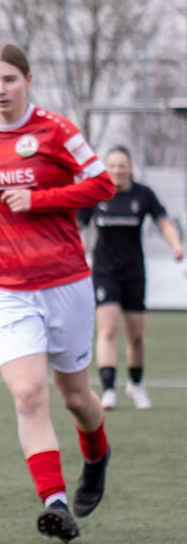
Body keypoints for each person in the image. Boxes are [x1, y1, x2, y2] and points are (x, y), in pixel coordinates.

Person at [0, 43, 114, 542]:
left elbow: (103, 184)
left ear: (28, 79)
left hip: (66, 282)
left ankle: (96, 452)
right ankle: (56, 502)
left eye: (9, 79)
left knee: (77, 398)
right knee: (28, 394)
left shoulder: (57, 130)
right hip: (5, 286)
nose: (0, 89)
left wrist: (40, 199)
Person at [77, 146, 184, 410]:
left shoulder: (143, 194)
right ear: (106, 167)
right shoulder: (96, 193)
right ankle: (109, 389)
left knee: (136, 336)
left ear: (130, 168)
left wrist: (176, 245)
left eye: (122, 165)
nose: (117, 170)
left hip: (134, 272)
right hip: (105, 272)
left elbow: (163, 222)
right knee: (108, 330)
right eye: (112, 165)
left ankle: (136, 385)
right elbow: (75, 227)